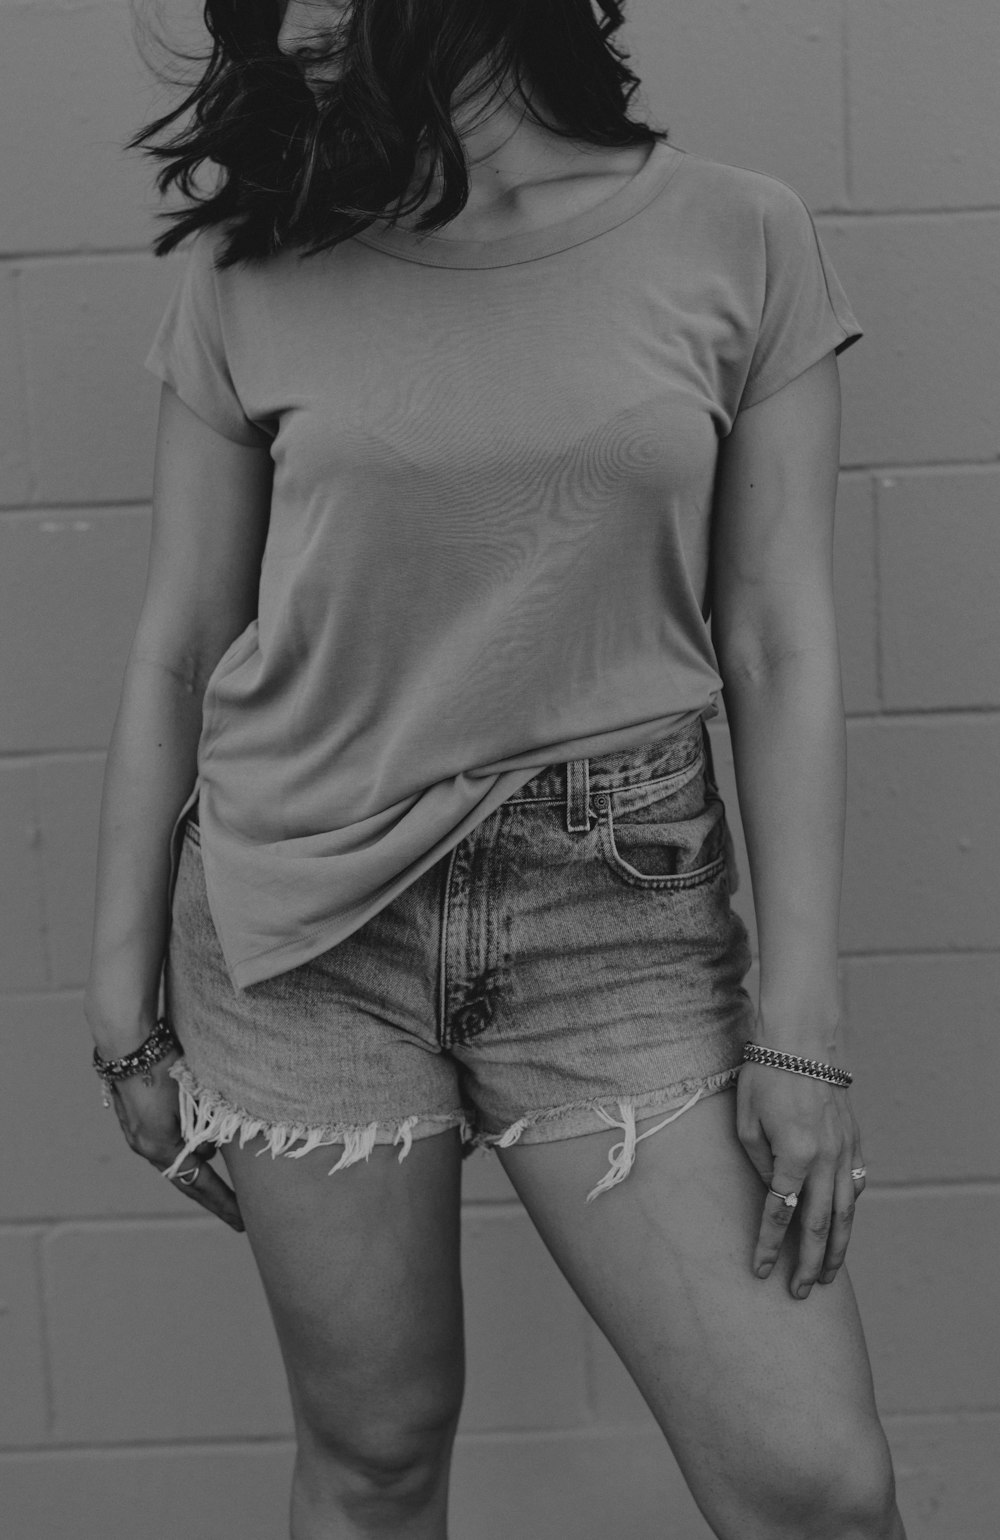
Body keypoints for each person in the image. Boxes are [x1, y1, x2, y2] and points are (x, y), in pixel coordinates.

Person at [85, 2, 908, 1537]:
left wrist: (802, 1023)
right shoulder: (254, 264)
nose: (294, 20)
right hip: (300, 937)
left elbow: (780, 638)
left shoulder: (741, 236)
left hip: (619, 911)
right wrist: (119, 1002)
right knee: (378, 1460)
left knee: (817, 1493)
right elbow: (180, 644)